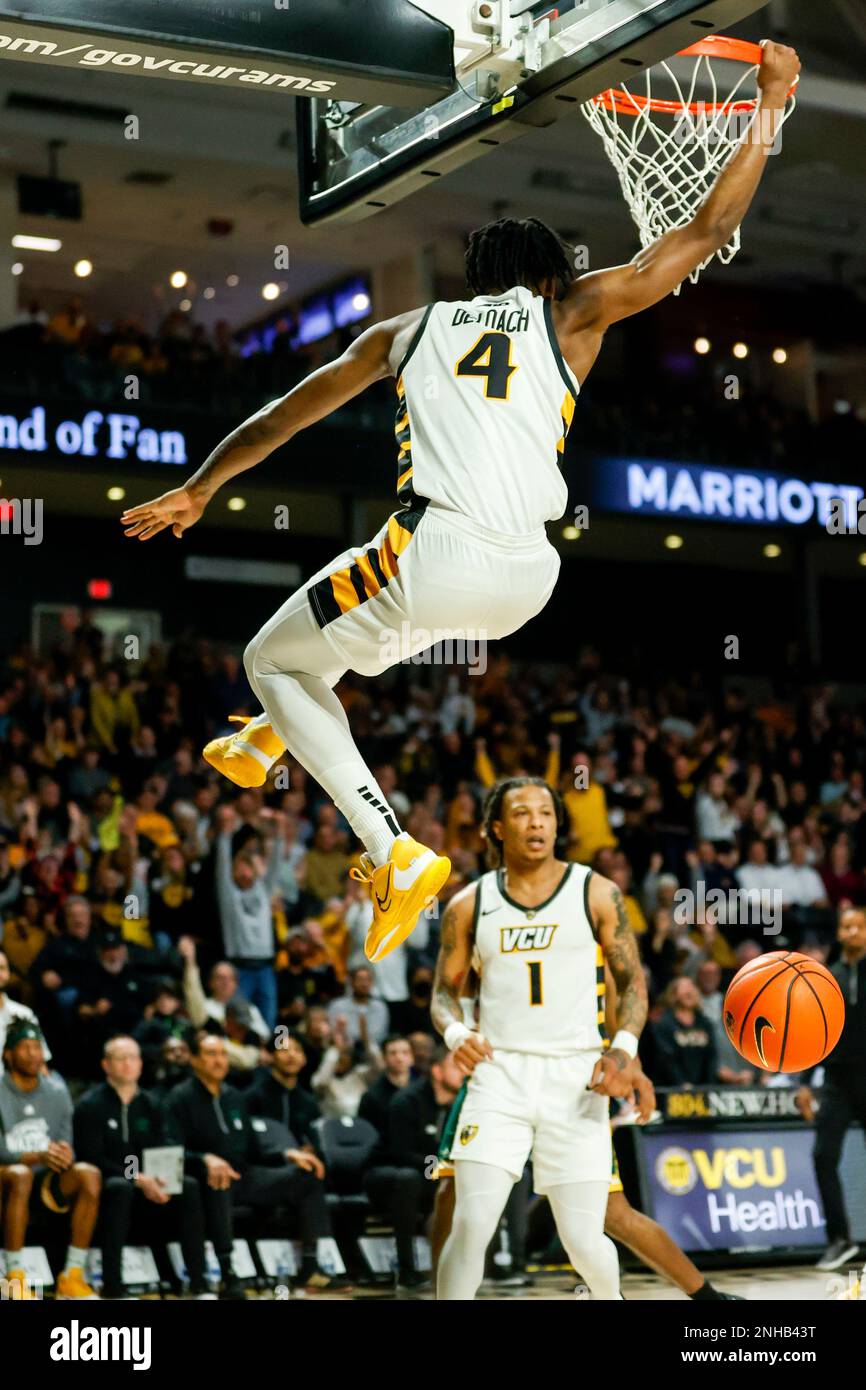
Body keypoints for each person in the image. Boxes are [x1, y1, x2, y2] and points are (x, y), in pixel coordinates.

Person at [119, 40, 801, 967]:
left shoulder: (405, 330)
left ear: (481, 279)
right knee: (359, 636)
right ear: (552, 274)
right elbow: (701, 237)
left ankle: (390, 847)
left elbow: (282, 418)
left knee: (270, 657)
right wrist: (771, 100)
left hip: (437, 555)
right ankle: (263, 742)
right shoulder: (575, 318)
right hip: (528, 581)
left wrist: (202, 488)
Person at [432, 777, 647, 1300]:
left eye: (546, 814)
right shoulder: (468, 902)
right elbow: (442, 994)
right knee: (471, 1223)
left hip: (576, 1077)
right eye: (523, 814)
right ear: (497, 828)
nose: (536, 823)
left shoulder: (596, 890)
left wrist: (624, 1049)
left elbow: (632, 983)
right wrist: (457, 1031)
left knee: (582, 1239)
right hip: (499, 1077)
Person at [166, 1033, 336, 1295]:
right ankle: (227, 1273)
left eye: (223, 1054)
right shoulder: (178, 1098)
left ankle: (310, 1267)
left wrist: (287, 1155)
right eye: (211, 1055)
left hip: (244, 1174)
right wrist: (203, 1159)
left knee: (307, 1175)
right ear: (195, 1061)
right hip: (205, 1179)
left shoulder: (235, 1097)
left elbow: (254, 1149)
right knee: (219, 1178)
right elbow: (170, 1148)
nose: (219, 1060)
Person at [73, 1035, 211, 1299]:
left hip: (148, 1185)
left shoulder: (152, 1104)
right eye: (120, 1058)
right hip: (109, 1185)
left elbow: (164, 1147)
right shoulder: (91, 1106)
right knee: (119, 1187)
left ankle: (198, 1282)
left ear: (140, 1064)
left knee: (189, 1186)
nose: (128, 1064)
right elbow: (91, 1157)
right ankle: (113, 1285)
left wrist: (163, 1179)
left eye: (133, 1058)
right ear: (105, 1065)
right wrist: (135, 1176)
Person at [0, 1021, 101, 1300]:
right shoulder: (97, 1101)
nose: (34, 1054)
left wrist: (66, 1156)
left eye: (38, 1048)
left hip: (53, 1178)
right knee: (21, 1174)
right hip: (9, 1177)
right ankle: (14, 1278)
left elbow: (72, 1145)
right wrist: (39, 1156)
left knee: (94, 1175)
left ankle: (74, 1276)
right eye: (26, 1048)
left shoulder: (58, 1092)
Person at [797, 906, 866, 1271]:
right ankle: (840, 1239)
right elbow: (815, 1034)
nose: (851, 932)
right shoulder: (829, 978)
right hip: (837, 1080)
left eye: (858, 926)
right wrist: (805, 1083)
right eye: (846, 927)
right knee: (823, 1156)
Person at [652, 977, 718, 1087]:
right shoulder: (665, 1024)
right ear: (674, 995)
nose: (690, 991)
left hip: (704, 1089)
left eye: (692, 988)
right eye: (685, 988)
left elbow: (712, 1056)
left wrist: (709, 1085)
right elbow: (666, 1059)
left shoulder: (705, 1023)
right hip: (672, 1089)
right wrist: (681, 1083)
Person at [326, 965, 389, 1047]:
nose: (364, 984)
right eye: (360, 980)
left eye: (368, 979)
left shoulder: (380, 1007)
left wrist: (363, 1033)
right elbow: (332, 1032)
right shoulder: (337, 1006)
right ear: (351, 982)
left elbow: (379, 1035)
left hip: (373, 1047)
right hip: (343, 1046)